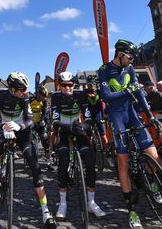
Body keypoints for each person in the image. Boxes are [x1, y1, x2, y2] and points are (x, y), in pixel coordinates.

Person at [98, 39, 162, 229]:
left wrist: (150, 116)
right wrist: (128, 91)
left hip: (133, 114)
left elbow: (140, 94)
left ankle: (150, 180)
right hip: (117, 116)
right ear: (120, 54)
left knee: (154, 157)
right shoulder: (104, 70)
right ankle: (131, 210)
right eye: (130, 57)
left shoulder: (130, 69)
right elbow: (106, 97)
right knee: (123, 163)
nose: (132, 60)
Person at [0, 72, 57, 228]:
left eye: (25, 89)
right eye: (22, 89)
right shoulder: (1, 95)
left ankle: (46, 212)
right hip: (4, 127)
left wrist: (19, 126)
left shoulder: (25, 97)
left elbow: (30, 121)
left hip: (21, 131)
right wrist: (1, 125)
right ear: (12, 89)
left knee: (35, 167)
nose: (25, 92)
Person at [51, 71, 106, 221]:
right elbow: (55, 121)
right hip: (64, 130)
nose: (67, 88)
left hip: (78, 130)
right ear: (60, 85)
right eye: (64, 85)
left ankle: (91, 202)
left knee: (90, 161)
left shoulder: (81, 95)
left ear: (74, 84)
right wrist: (66, 127)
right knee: (63, 163)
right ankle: (62, 203)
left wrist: (84, 127)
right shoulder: (55, 97)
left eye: (70, 85)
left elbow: (88, 117)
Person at [85, 79, 112, 166]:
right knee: (89, 137)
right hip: (89, 116)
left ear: (95, 85)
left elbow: (105, 102)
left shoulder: (99, 92)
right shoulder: (85, 92)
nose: (91, 86)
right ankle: (89, 152)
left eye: (92, 84)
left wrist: (106, 115)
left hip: (99, 116)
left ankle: (107, 152)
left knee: (103, 136)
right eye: (89, 84)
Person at [29, 85, 52, 168]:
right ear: (39, 94)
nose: (44, 98)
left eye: (45, 96)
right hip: (30, 123)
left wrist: (43, 120)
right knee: (28, 140)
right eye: (43, 96)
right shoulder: (30, 99)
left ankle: (48, 161)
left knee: (45, 140)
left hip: (39, 123)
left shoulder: (44, 102)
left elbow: (44, 112)